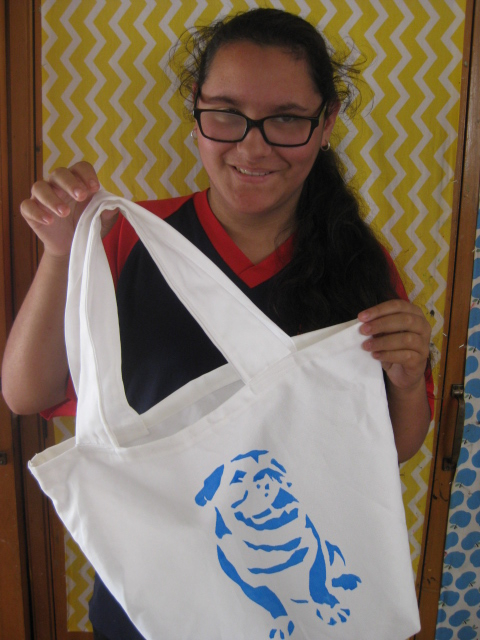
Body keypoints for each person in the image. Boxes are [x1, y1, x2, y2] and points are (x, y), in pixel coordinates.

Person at [1, 8, 433, 640]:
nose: (252, 146)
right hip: (153, 603)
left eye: (286, 119)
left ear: (326, 123)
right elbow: (26, 393)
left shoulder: (358, 265)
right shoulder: (128, 240)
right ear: (195, 109)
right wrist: (64, 253)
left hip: (298, 609)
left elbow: (391, 447)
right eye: (227, 113)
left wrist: (407, 378)